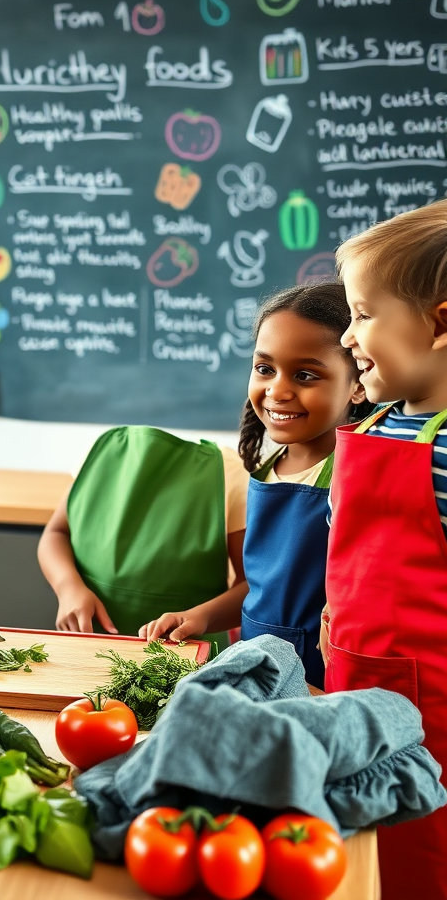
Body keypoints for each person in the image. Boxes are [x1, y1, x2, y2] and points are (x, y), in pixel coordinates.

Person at [141, 281, 370, 686]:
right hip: (258, 666)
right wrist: (198, 617)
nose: (278, 390)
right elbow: (259, 593)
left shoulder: (356, 473)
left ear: (357, 383)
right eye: (265, 369)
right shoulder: (266, 467)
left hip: (322, 680)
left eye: (304, 375)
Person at [325, 201, 447, 900]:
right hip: (354, 682)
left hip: (433, 714)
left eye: (365, 314)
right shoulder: (376, 426)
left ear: (441, 323)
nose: (347, 335)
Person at [37, 425, 249, 650]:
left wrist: (200, 617)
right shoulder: (100, 454)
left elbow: (252, 586)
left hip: (186, 659)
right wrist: (68, 587)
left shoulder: (229, 474)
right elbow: (56, 532)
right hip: (87, 647)